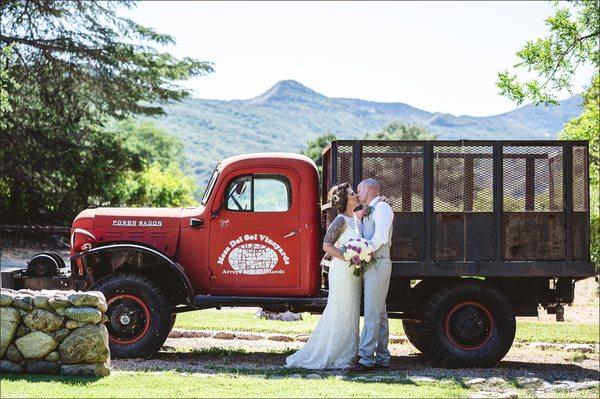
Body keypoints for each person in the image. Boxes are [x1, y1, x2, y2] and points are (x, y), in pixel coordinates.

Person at [285, 182, 363, 369]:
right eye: (353, 194)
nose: (356, 196)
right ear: (345, 200)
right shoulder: (340, 221)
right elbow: (326, 245)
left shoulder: (356, 219)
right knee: (339, 309)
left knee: (351, 310)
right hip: (342, 271)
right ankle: (331, 352)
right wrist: (347, 256)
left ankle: (348, 351)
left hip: (354, 272)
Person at [347, 178, 394, 372]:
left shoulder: (382, 208)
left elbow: (380, 237)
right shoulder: (369, 210)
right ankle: (383, 357)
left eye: (359, 190)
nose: (358, 195)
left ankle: (365, 358)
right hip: (370, 261)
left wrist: (362, 251)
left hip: (378, 261)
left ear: (368, 189)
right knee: (380, 311)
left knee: (372, 312)